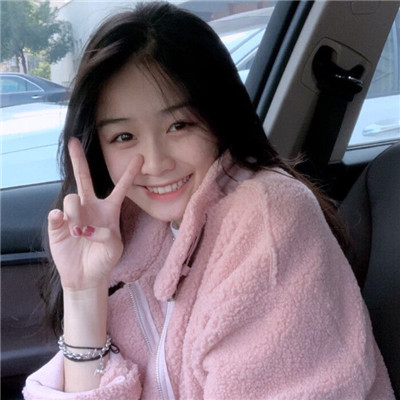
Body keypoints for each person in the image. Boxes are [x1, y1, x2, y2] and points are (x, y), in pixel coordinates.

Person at [23, 2, 394, 399]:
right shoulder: (131, 229)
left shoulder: (267, 219)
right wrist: (84, 291)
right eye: (124, 137)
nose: (156, 162)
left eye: (179, 125)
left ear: (220, 118)